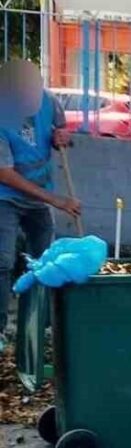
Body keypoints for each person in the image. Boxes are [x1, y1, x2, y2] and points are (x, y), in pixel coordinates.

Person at [0, 60, 80, 353]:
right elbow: (5, 173)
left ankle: (40, 324)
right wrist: (56, 201)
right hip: (4, 196)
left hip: (41, 195)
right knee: (3, 262)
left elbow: (61, 132)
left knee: (46, 261)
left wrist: (63, 139)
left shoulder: (49, 101)